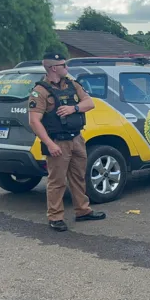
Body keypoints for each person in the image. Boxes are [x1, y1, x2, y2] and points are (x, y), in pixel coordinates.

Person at [28, 52, 106, 231]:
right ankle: (55, 217)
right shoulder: (40, 91)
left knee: (78, 177)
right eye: (64, 65)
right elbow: (34, 121)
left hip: (76, 138)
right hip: (57, 141)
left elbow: (90, 103)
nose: (67, 68)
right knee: (57, 181)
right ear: (54, 68)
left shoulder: (72, 84)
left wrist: (73, 108)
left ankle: (83, 211)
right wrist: (49, 143)